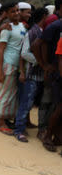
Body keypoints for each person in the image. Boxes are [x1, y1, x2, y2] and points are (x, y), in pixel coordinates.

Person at [14, 8, 48, 141]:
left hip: (36, 74)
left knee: (28, 102)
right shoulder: (33, 32)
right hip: (32, 74)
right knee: (26, 102)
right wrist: (40, 61)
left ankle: (21, 127)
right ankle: (19, 130)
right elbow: (24, 53)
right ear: (44, 17)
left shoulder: (39, 31)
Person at [0, 2, 27, 136]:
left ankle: (7, 119)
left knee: (12, 94)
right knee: (5, 94)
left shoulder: (22, 26)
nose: (16, 13)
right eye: (13, 11)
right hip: (8, 63)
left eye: (17, 10)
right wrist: (0, 71)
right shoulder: (6, 29)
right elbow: (1, 50)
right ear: (7, 14)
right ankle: (1, 122)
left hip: (17, 64)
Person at [32, 14, 62, 151]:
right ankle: (45, 133)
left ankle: (55, 134)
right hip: (56, 74)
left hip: (55, 72)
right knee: (51, 104)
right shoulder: (55, 26)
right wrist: (44, 65)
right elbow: (36, 45)